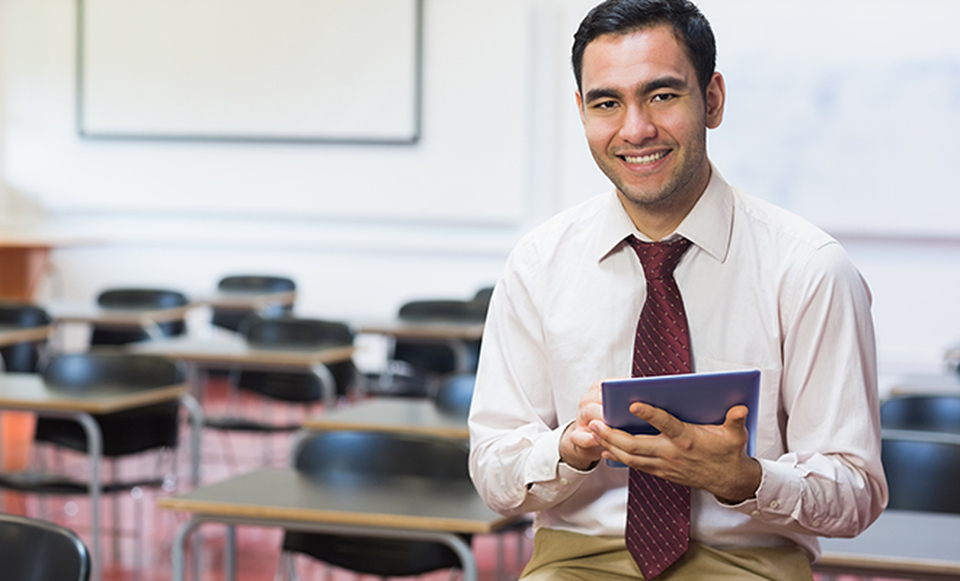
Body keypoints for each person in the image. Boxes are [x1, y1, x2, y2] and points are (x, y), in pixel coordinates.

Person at [467, 0, 888, 579]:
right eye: (607, 103)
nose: (635, 129)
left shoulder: (809, 268)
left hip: (748, 562)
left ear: (712, 99)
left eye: (662, 95)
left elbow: (856, 492)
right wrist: (569, 447)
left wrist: (746, 479)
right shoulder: (538, 264)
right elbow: (493, 472)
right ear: (582, 111)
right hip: (579, 560)